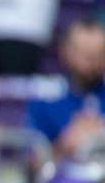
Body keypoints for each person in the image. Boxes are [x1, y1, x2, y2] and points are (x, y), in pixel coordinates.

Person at [28, 19, 105, 159]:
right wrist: (65, 145)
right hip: (64, 177)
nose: (93, 61)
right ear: (66, 51)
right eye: (86, 54)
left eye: (100, 54)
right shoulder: (46, 100)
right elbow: (32, 162)